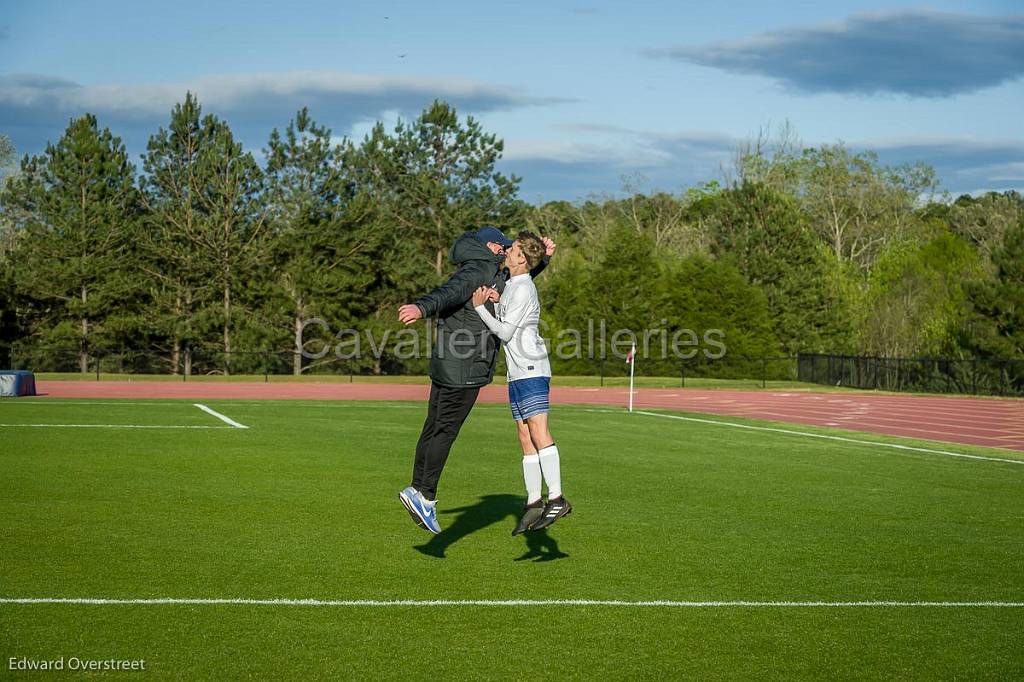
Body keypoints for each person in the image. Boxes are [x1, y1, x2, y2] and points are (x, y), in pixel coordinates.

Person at [397, 226, 554, 534]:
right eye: (505, 247)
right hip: (465, 367)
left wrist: (543, 260)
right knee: (445, 430)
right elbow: (451, 292)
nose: (509, 251)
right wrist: (422, 307)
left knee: (433, 426)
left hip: (449, 363)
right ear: (492, 246)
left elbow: (520, 282)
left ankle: (417, 490)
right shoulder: (479, 269)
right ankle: (425, 495)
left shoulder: (489, 269)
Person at [471, 231, 571, 535]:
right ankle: (533, 502)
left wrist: (479, 307)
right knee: (525, 434)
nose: (507, 251)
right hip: (517, 371)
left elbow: (504, 333)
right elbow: (510, 314)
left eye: (512, 249)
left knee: (538, 430)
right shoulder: (514, 286)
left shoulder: (525, 287)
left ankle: (557, 498)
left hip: (531, 367)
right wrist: (497, 300)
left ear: (522, 260)